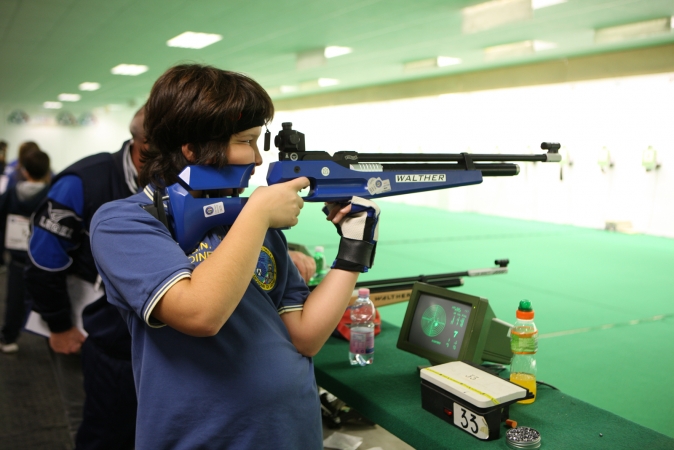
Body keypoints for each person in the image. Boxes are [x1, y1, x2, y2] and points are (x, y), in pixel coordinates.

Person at [89, 64, 381, 449]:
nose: (257, 159)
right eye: (245, 141)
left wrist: (352, 250)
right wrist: (258, 212)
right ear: (191, 147)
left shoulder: (245, 220)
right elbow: (200, 313)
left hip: (292, 431)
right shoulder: (122, 222)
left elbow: (305, 338)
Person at [25, 109, 146, 449]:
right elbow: (43, 263)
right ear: (145, 144)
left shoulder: (174, 180)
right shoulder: (83, 180)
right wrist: (59, 326)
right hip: (80, 322)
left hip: (132, 333)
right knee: (87, 421)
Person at [0, 149, 51, 353]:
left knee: (14, 300)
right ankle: (52, 339)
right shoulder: (51, 194)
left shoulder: (12, 192)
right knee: (47, 299)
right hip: (44, 258)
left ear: (24, 171)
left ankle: (8, 338)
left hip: (18, 258)